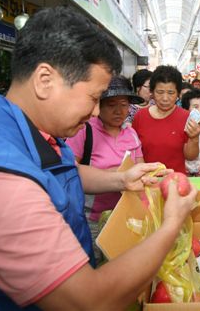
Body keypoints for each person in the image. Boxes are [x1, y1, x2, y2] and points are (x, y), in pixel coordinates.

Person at [0, 7, 197, 310]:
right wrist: (172, 223)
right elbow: (90, 301)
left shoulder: (29, 131)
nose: (96, 112)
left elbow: (64, 172)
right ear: (45, 80)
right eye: (94, 98)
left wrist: (121, 179)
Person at [66, 75, 145, 264]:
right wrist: (116, 174)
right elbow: (70, 170)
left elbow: (140, 166)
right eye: (111, 105)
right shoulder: (85, 130)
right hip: (92, 218)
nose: (119, 111)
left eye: (124, 104)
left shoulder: (131, 133)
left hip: (125, 216)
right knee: (95, 264)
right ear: (98, 105)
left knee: (120, 264)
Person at [133, 65, 200, 174]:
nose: (165, 98)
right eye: (160, 92)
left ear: (178, 94)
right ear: (152, 92)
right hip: (146, 183)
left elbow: (191, 157)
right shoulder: (140, 117)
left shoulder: (186, 118)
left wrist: (194, 139)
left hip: (176, 183)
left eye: (171, 93)